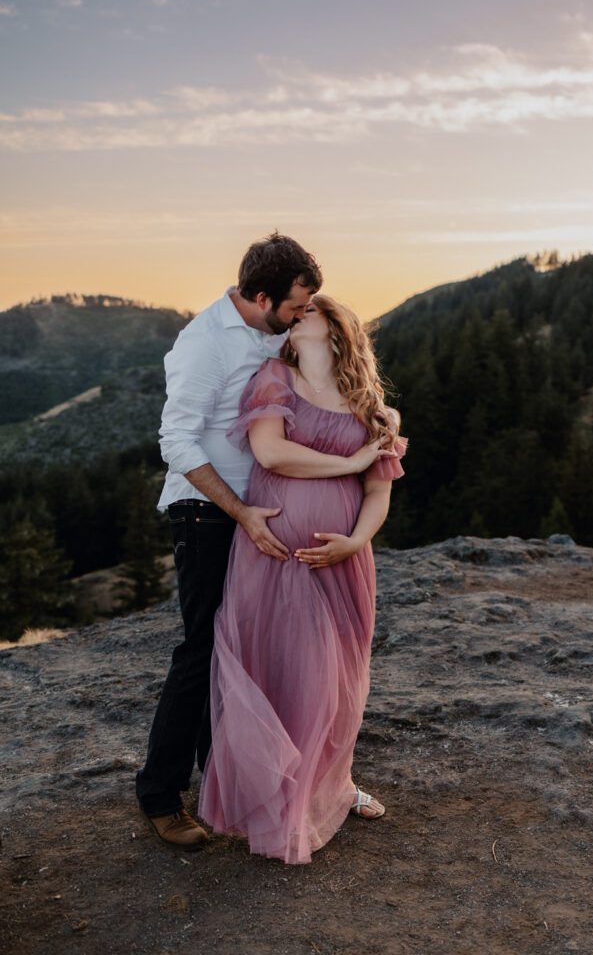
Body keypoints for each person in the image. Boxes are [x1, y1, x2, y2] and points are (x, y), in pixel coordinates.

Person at [136, 233, 383, 849]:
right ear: (265, 296)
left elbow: (329, 368)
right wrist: (241, 511)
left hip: (263, 511)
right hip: (211, 509)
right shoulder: (203, 344)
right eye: (299, 303)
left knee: (247, 650)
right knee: (204, 650)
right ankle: (161, 796)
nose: (305, 314)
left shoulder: (278, 332)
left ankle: (242, 780)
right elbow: (177, 442)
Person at [197, 294, 408, 864]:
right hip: (274, 554)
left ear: (338, 326)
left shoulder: (374, 408)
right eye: (297, 309)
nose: (299, 313)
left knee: (337, 679)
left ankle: (331, 789)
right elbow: (271, 453)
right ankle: (276, 799)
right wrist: (349, 463)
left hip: (342, 562)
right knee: (282, 668)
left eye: (312, 307)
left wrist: (356, 541)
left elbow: (379, 492)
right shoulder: (274, 378)